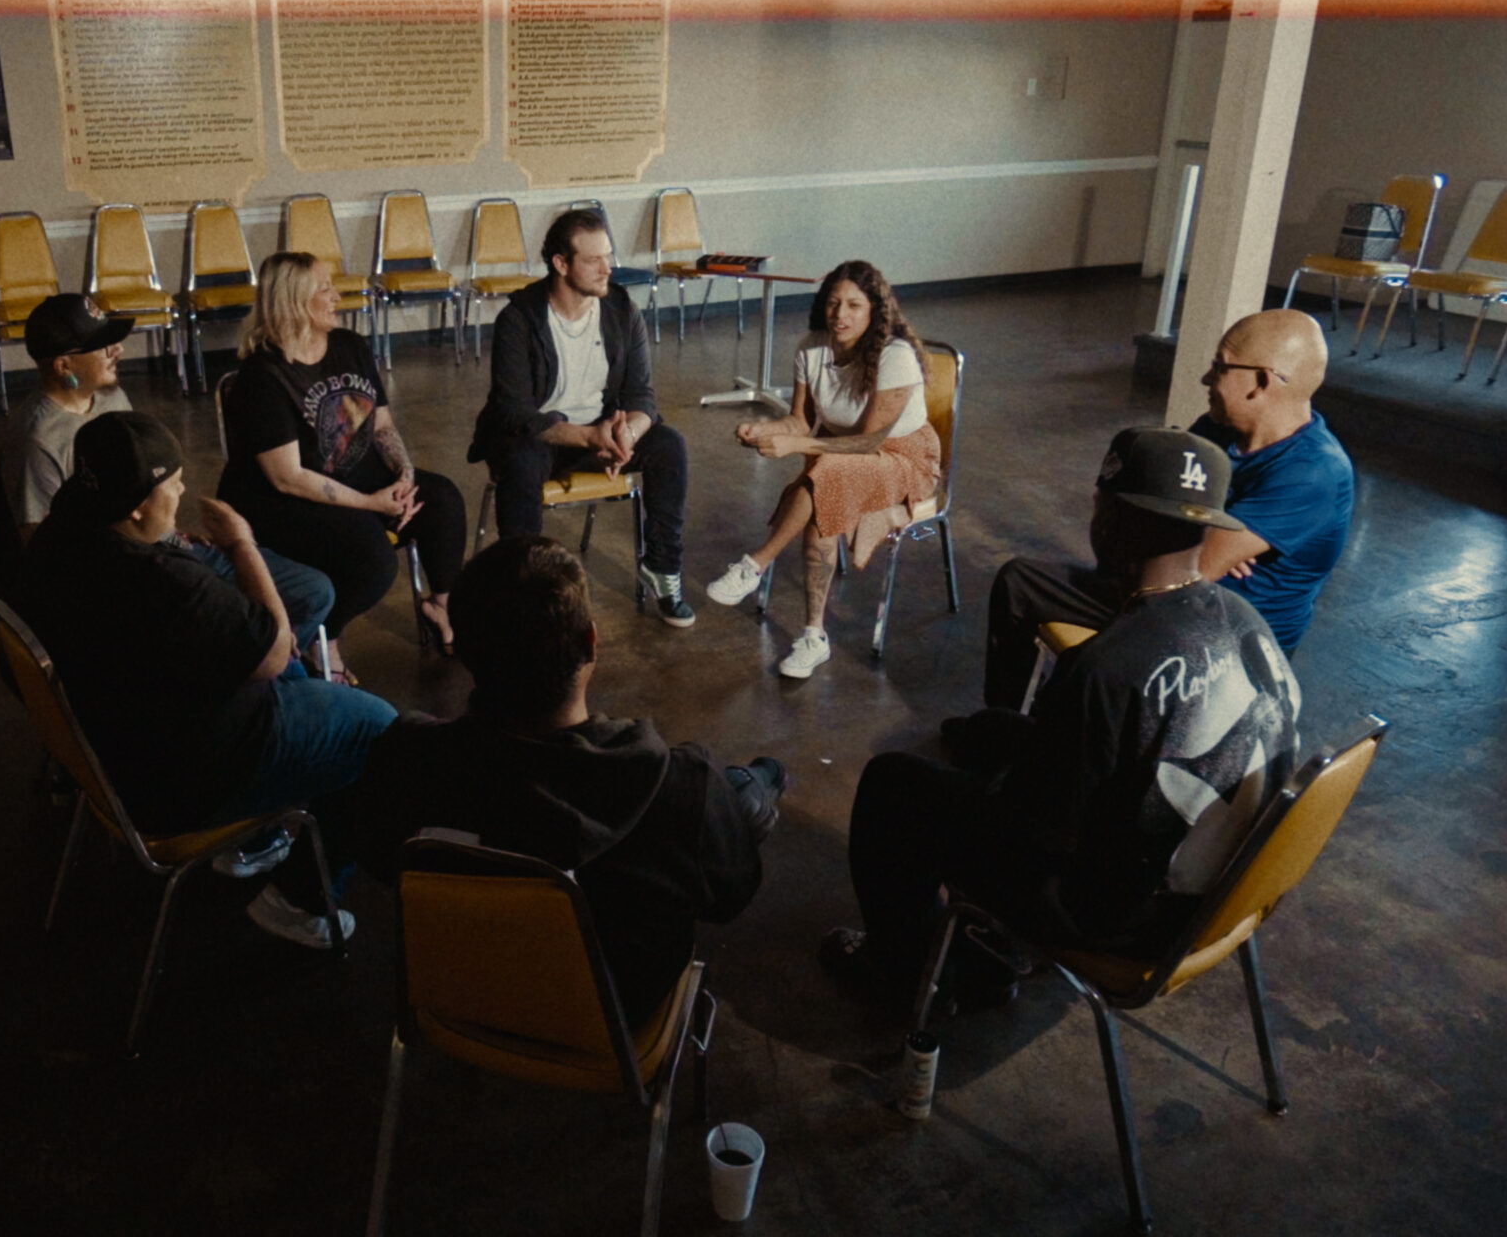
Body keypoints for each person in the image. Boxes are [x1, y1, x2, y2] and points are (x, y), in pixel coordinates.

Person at [823, 427, 1302, 1007]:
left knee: (892, 784)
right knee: (991, 732)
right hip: (1214, 890)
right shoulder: (1247, 622)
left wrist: (989, 790)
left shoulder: (1107, 666)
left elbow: (1037, 828)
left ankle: (904, 973)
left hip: (1114, 915)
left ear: (1113, 521)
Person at [9, 410, 396, 948]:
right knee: (380, 730)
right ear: (137, 506)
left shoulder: (60, 533)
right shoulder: (163, 582)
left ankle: (262, 836)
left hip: (118, 744)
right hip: (180, 781)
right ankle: (298, 901)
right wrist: (241, 544)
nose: (184, 489)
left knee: (302, 662)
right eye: (174, 482)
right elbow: (272, 649)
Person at [349, 536, 779, 1017]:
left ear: (464, 650)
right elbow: (730, 899)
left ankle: (754, 785)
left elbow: (380, 859)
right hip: (612, 1021)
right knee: (738, 800)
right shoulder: (680, 786)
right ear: (590, 642)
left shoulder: (407, 757)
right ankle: (759, 784)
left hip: (463, 1003)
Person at [980, 308, 1353, 708]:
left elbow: (1190, 570)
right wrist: (1201, 535)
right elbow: (1142, 514)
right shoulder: (1214, 430)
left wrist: (1183, 533)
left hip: (1221, 638)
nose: (1206, 378)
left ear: (1260, 382)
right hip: (1157, 597)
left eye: (1220, 366)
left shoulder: (1314, 472)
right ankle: (1006, 721)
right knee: (1021, 581)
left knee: (1070, 642)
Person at [0, 294, 333, 668]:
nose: (118, 350)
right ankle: (259, 675)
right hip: (132, 570)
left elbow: (140, 487)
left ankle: (268, 671)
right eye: (103, 346)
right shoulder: (37, 440)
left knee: (313, 591)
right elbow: (45, 549)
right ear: (64, 365)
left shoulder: (111, 399)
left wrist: (169, 531)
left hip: (160, 544)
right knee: (249, 621)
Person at [220, 251, 469, 658]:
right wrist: (372, 503)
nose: (337, 297)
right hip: (284, 500)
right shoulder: (262, 376)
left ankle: (441, 607)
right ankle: (322, 638)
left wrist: (404, 476)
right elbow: (287, 477)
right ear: (295, 301)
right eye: (325, 289)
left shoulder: (349, 346)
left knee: (441, 499)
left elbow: (382, 425)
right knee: (372, 559)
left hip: (353, 475)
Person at [702, 261, 942, 678]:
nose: (840, 314)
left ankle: (756, 564)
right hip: (839, 461)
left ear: (874, 311)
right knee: (825, 498)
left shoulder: (895, 356)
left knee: (828, 473)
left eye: (853, 305)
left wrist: (796, 445)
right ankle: (814, 635)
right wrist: (766, 429)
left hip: (903, 460)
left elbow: (868, 443)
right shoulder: (811, 348)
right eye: (833, 303)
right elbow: (800, 420)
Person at [472, 207, 696, 628]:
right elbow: (514, 410)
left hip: (601, 433)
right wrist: (590, 437)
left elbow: (642, 396)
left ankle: (662, 568)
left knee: (669, 447)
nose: (607, 269)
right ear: (561, 264)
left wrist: (626, 435)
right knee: (519, 464)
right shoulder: (518, 319)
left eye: (608, 256)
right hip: (541, 437)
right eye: (594, 260)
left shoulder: (621, 310)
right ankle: (526, 595)